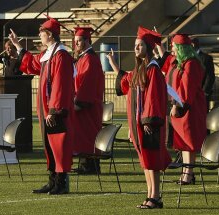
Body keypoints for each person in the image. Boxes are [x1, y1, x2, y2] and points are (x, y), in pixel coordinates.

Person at [8, 15, 75, 195]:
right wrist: (17, 45)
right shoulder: (49, 55)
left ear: (50, 35)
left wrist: (54, 110)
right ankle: (52, 180)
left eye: (42, 33)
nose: (40, 36)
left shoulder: (61, 56)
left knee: (58, 144)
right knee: (49, 144)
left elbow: (61, 85)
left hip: (56, 109)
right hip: (46, 108)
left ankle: (61, 182)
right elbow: (32, 63)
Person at [107, 26, 171, 209]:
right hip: (140, 124)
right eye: (135, 45)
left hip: (150, 123)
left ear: (148, 47)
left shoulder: (154, 70)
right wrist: (113, 63)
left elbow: (154, 98)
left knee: (152, 160)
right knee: (145, 161)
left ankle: (156, 196)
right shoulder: (140, 69)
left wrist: (148, 121)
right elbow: (125, 81)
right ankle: (150, 194)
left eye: (140, 45)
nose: (136, 48)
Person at [157, 34, 206, 185]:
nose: (171, 49)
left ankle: (189, 174)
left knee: (189, 142)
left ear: (181, 48)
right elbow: (167, 64)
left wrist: (176, 105)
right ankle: (186, 173)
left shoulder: (191, 64)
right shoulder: (178, 62)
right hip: (180, 106)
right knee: (184, 142)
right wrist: (158, 45)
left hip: (190, 108)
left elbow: (186, 88)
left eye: (173, 46)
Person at [72, 27, 104, 174]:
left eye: (79, 41)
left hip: (88, 104)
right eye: (75, 41)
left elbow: (87, 84)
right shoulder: (83, 58)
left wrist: (79, 102)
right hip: (84, 101)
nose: (76, 44)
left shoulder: (90, 59)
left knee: (89, 134)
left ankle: (91, 166)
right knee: (83, 134)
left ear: (87, 40)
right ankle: (86, 164)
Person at [191, 37, 215, 112]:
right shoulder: (186, 58)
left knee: (202, 117)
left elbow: (210, 77)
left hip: (202, 95)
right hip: (189, 95)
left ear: (193, 44)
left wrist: (204, 93)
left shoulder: (207, 58)